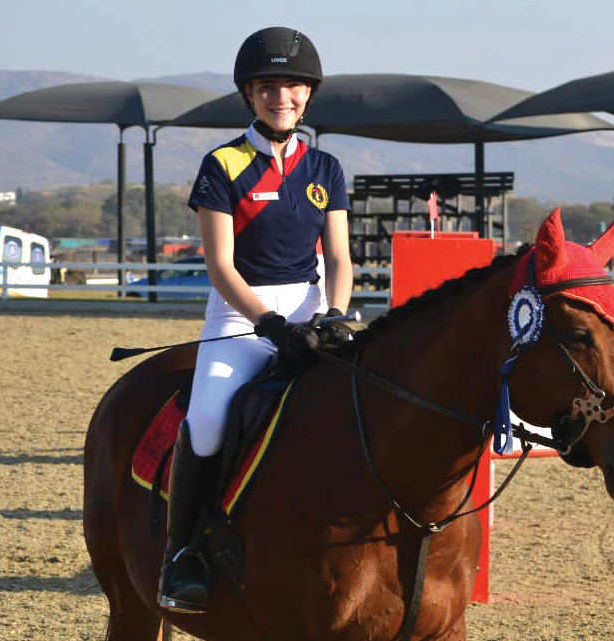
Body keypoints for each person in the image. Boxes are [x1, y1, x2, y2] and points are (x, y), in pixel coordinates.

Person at [157, 26, 353, 614]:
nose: (280, 97)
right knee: (208, 420)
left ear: (308, 93)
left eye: (292, 86)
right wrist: (268, 323)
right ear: (249, 93)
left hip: (313, 314)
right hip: (241, 319)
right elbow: (220, 265)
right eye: (268, 87)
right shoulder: (222, 164)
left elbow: (340, 258)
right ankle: (181, 553)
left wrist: (335, 313)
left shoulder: (326, 167)